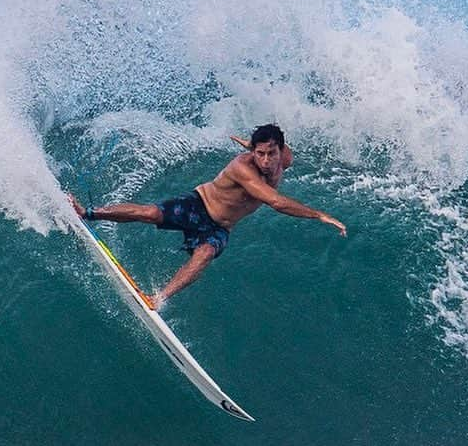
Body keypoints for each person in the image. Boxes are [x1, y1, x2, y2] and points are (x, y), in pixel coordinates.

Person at [70, 124, 346, 309]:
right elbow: (274, 201)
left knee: (204, 254)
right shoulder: (243, 167)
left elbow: (272, 151)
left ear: (281, 150)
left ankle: (157, 299)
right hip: (199, 204)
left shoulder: (285, 158)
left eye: (270, 153)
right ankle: (89, 213)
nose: (264, 160)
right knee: (150, 212)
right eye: (258, 153)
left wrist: (249, 143)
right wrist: (319, 215)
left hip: (220, 227)